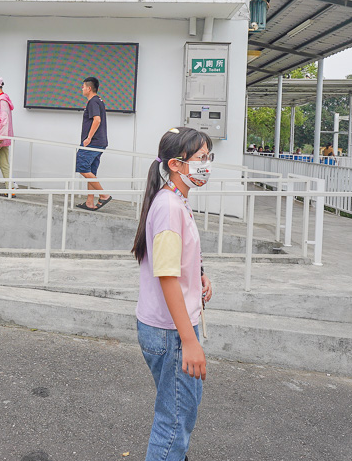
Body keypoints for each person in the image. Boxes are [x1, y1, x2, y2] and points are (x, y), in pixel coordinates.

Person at [132, 126, 213, 461]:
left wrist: (200, 276)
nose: (207, 165)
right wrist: (190, 341)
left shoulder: (175, 200)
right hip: (172, 333)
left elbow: (176, 263)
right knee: (174, 422)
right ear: (177, 165)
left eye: (209, 157)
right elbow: (166, 276)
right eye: (201, 158)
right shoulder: (169, 207)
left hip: (168, 329)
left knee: (176, 415)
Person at [76, 76, 111, 211]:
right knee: (91, 171)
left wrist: (88, 138)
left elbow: (97, 120)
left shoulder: (92, 102)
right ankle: (89, 202)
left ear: (89, 88)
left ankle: (104, 195)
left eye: (83, 86)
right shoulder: (99, 101)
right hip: (100, 142)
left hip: (93, 143)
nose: (82, 88)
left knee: (83, 168)